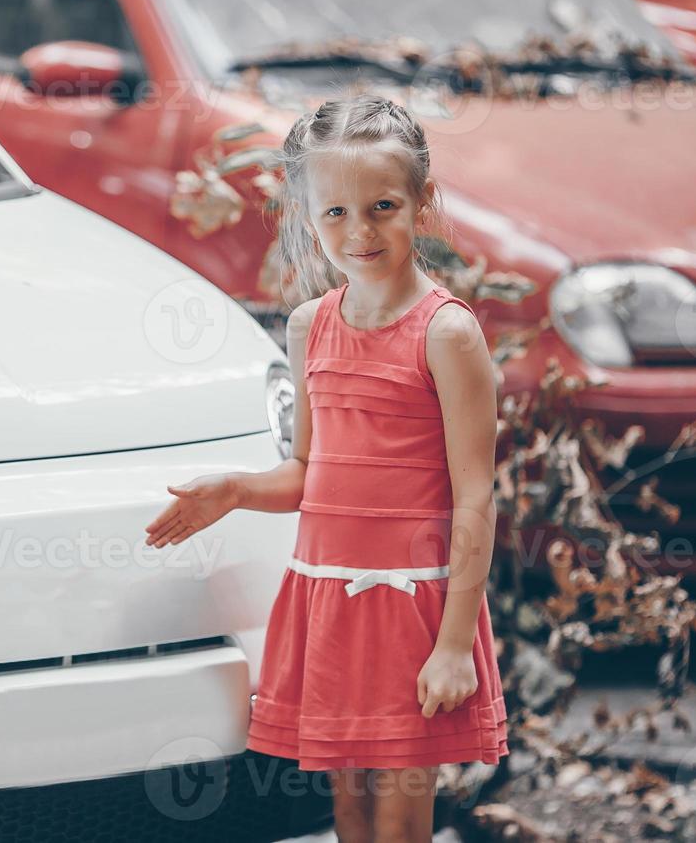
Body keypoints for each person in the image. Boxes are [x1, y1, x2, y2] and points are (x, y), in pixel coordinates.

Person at [143, 94, 507, 842]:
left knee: (401, 824)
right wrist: (237, 489)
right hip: (329, 609)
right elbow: (309, 473)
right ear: (306, 213)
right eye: (335, 212)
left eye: (380, 206)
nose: (359, 231)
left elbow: (475, 498)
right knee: (349, 817)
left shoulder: (447, 334)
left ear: (422, 202)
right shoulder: (310, 326)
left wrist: (451, 644)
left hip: (415, 609)